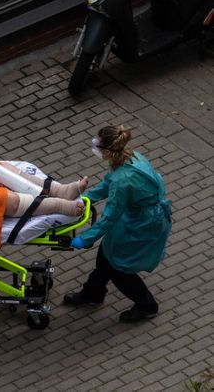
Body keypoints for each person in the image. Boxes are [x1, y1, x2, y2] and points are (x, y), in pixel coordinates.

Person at [64, 125, 172, 323]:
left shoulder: (123, 180)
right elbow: (108, 183)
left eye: (97, 145)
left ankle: (147, 306)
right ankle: (93, 293)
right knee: (105, 256)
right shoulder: (130, 157)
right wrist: (87, 198)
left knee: (119, 269)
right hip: (140, 217)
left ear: (107, 151)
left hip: (142, 225)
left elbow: (110, 218)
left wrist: (85, 239)